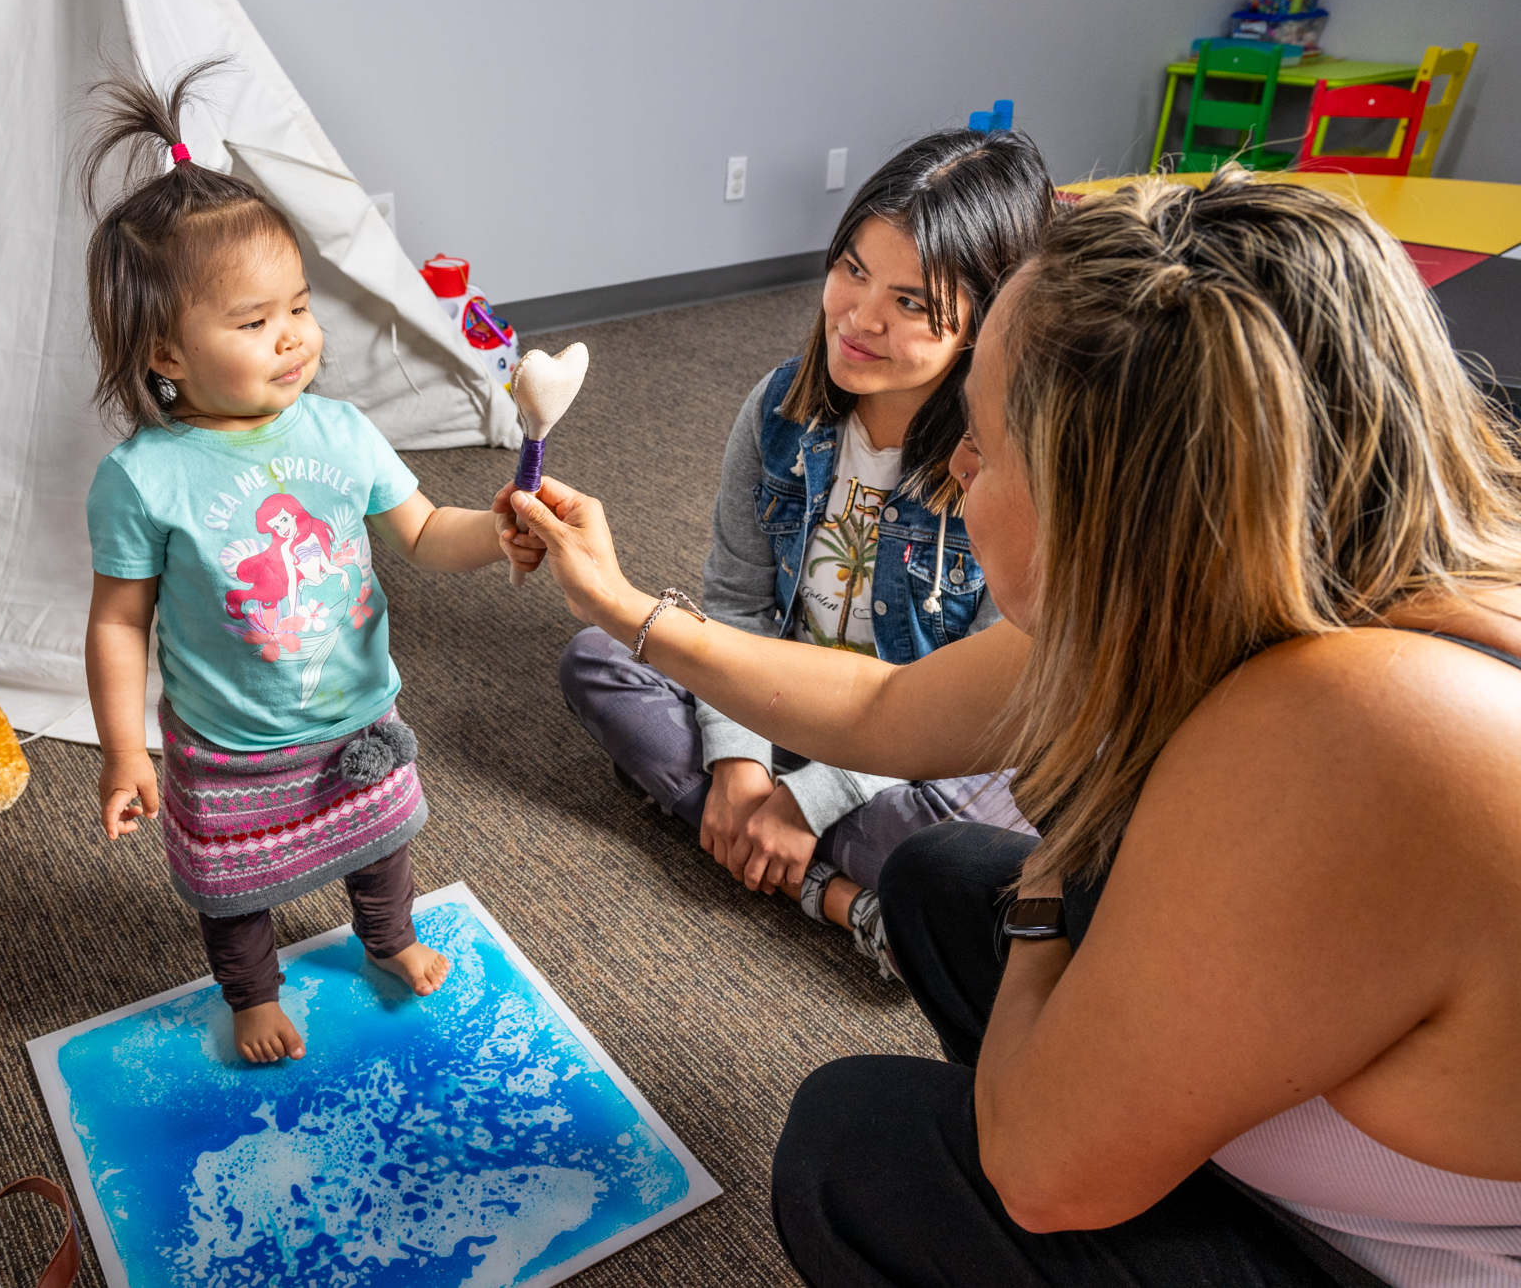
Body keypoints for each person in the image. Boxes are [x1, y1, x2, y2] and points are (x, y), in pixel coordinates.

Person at [502, 170, 1521, 1285]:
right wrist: (622, 609)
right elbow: (890, 707)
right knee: (943, 876)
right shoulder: (1221, 571)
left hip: (1376, 1260)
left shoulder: (1349, 727)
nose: (960, 468)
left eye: (983, 445)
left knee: (859, 1145)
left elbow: (1043, 1172)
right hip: (1300, 1121)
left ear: (1107, 501)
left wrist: (1056, 870)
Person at [80, 65, 534, 1063]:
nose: (292, 337)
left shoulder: (339, 430)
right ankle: (249, 992)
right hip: (230, 744)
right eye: (252, 322)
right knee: (233, 888)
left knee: (380, 847)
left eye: (297, 305)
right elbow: (117, 622)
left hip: (357, 714)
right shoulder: (144, 478)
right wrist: (121, 750)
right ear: (165, 353)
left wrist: (495, 528)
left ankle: (390, 936)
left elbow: (421, 531)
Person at [553, 129, 1051, 971]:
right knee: (597, 660)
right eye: (852, 269)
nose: (859, 317)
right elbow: (736, 606)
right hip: (782, 702)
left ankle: (782, 853)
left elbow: (969, 706)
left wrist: (811, 797)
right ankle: (848, 902)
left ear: (986, 324)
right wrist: (744, 761)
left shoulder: (1004, 468)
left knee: (990, 818)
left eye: (910, 302)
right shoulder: (778, 409)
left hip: (913, 752)